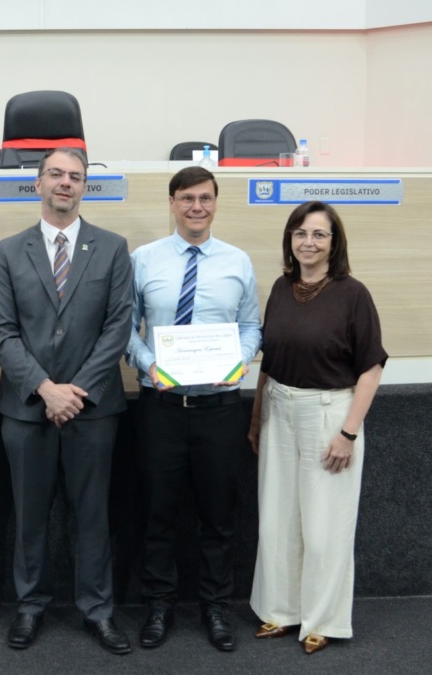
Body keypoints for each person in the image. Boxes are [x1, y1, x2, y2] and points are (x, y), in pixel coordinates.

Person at [0, 147, 134, 656]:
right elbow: (3, 332)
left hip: (93, 411)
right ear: (38, 183)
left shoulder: (113, 248)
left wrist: (76, 391)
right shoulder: (10, 250)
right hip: (27, 409)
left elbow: (119, 326)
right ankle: (30, 607)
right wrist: (45, 389)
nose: (65, 183)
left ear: (84, 187)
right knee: (29, 516)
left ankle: (98, 610)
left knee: (92, 515)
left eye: (75, 176)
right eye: (56, 174)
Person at [126, 166, 261, 651]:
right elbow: (125, 327)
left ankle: (215, 607)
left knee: (218, 516)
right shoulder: (143, 260)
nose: (196, 207)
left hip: (220, 408)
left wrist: (240, 362)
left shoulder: (238, 261)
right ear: (172, 203)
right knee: (157, 512)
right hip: (161, 406)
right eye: (186, 198)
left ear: (216, 203)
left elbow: (251, 328)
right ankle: (159, 604)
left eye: (205, 198)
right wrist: (149, 363)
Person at [248, 200, 386, 655]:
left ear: (334, 242)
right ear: (290, 239)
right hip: (278, 409)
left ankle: (323, 619)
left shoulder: (353, 294)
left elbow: (370, 368)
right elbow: (270, 357)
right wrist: (256, 414)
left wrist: (348, 433)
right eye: (300, 233)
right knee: (278, 520)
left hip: (329, 414)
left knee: (325, 526)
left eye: (319, 234)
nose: (308, 242)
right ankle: (280, 611)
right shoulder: (282, 287)